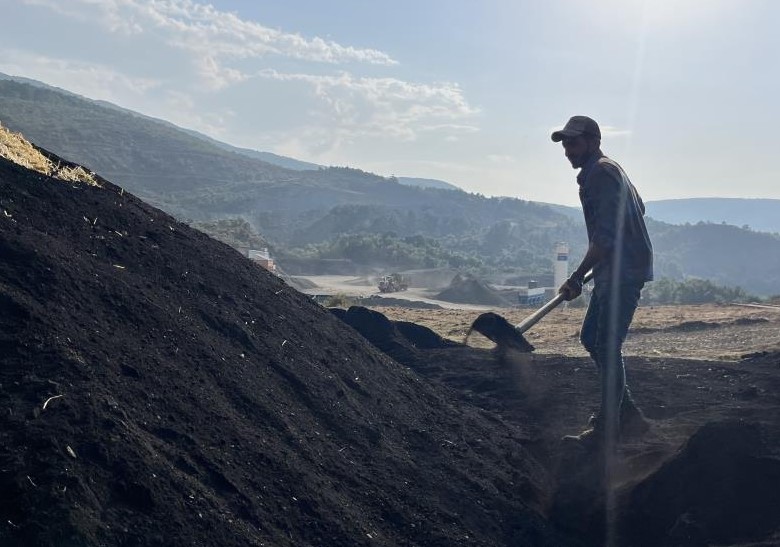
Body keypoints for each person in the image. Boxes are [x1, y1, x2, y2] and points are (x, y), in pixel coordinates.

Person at [552, 115, 653, 448]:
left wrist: (578, 277)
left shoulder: (601, 175)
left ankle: (609, 429)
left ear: (593, 142)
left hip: (624, 271)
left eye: (574, 142)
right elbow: (639, 207)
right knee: (591, 338)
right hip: (616, 267)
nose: (568, 149)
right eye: (565, 143)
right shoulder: (609, 170)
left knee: (607, 344)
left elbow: (606, 236)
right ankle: (630, 417)